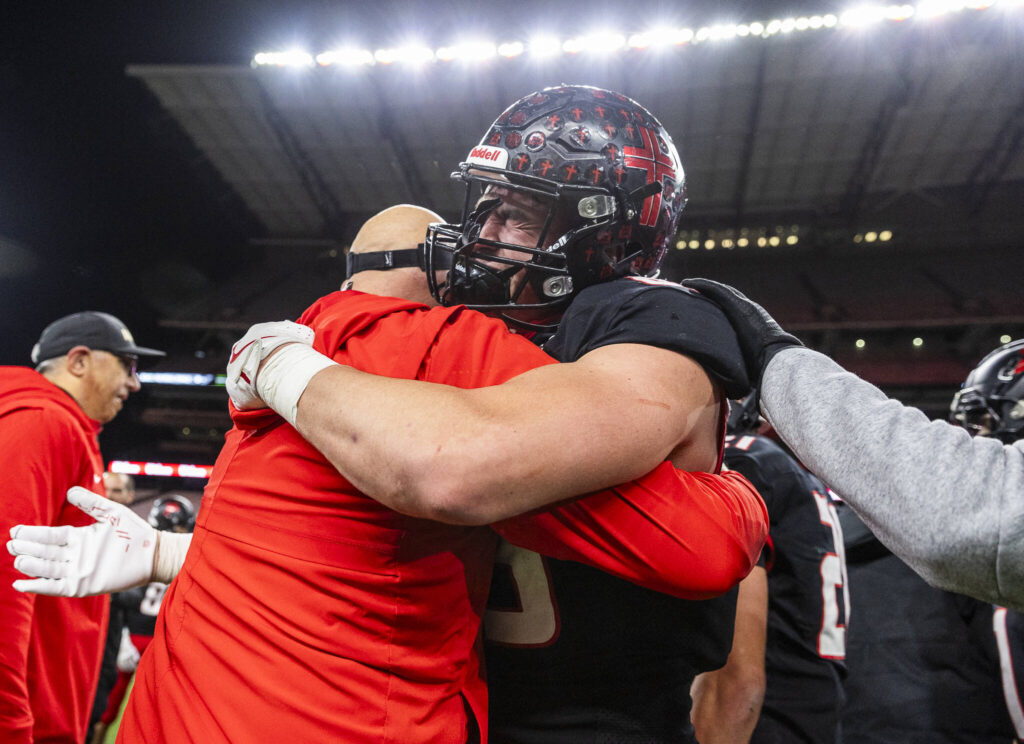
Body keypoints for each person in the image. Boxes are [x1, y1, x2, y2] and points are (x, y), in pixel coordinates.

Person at [10, 87, 767, 742]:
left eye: (521, 212)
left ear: (607, 228)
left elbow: (457, 468)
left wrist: (289, 369)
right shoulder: (468, 342)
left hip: (595, 720)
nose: (485, 236)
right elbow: (377, 537)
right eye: (488, 207)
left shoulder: (645, 317)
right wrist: (186, 556)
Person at [678, 278, 1024, 611]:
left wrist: (773, 360)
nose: (968, 434)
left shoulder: (756, 465)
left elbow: (970, 520)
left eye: (982, 421)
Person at [0, 311, 162, 744]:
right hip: (28, 718)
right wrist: (11, 726)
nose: (134, 383)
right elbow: (4, 578)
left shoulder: (63, 426)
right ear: (78, 361)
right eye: (127, 365)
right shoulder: (41, 422)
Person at [692, 399, 849, 744]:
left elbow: (734, 679)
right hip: (811, 714)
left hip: (758, 724)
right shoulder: (779, 467)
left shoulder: (741, 464)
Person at [90, 495, 196, 744]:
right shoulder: (188, 553)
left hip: (146, 634)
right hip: (159, 636)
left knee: (114, 711)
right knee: (116, 710)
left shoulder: (137, 547)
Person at [86, 473, 137, 744]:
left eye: (117, 490)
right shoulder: (82, 526)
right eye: (106, 489)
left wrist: (102, 589)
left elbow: (136, 594)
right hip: (73, 634)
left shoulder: (135, 536)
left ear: (129, 496)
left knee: (98, 711)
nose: (109, 495)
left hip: (108, 636)